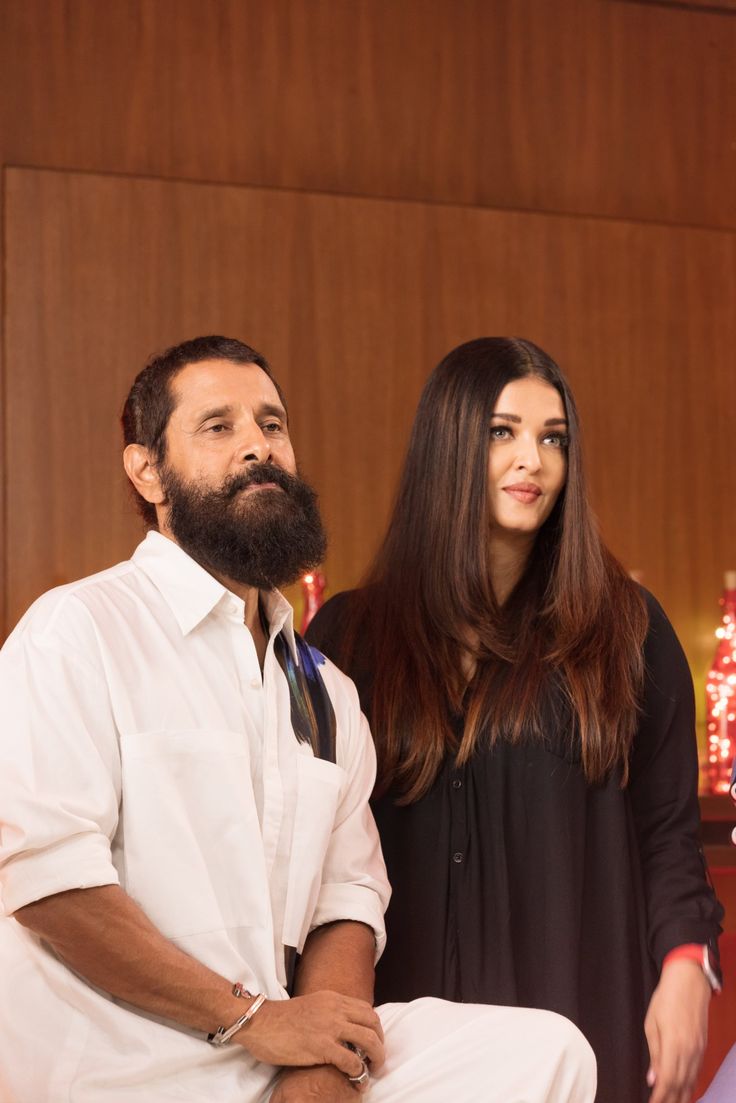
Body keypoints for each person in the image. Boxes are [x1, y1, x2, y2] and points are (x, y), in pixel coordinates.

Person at [0, 335, 597, 1103]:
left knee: (549, 1052)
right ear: (147, 470)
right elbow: (51, 884)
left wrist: (322, 1063)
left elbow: (346, 901)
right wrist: (252, 1020)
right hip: (125, 1067)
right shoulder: (77, 630)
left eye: (272, 424)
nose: (258, 445)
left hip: (272, 1056)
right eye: (219, 427)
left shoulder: (325, 688)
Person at [306, 337, 724, 1103]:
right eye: (503, 431)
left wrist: (686, 965)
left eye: (552, 437)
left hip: (582, 1021)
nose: (532, 458)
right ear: (449, 444)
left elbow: (668, 832)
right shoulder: (349, 638)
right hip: (406, 1054)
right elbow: (306, 856)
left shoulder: (627, 631)